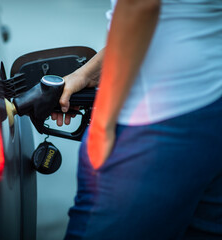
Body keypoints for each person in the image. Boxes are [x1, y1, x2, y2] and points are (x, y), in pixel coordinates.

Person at [51, 0, 222, 239]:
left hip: (152, 123)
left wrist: (102, 123)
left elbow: (139, 5)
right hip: (212, 105)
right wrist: (87, 73)